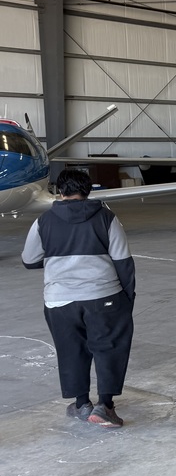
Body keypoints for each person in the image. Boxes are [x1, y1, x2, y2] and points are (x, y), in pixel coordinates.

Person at [21, 168, 136, 428]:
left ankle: (82, 404)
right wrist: (127, 299)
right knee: (108, 348)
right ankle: (105, 406)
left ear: (59, 191)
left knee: (71, 350)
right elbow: (123, 262)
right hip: (103, 297)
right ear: (88, 190)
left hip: (59, 300)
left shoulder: (43, 221)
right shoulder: (107, 218)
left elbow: (29, 260)